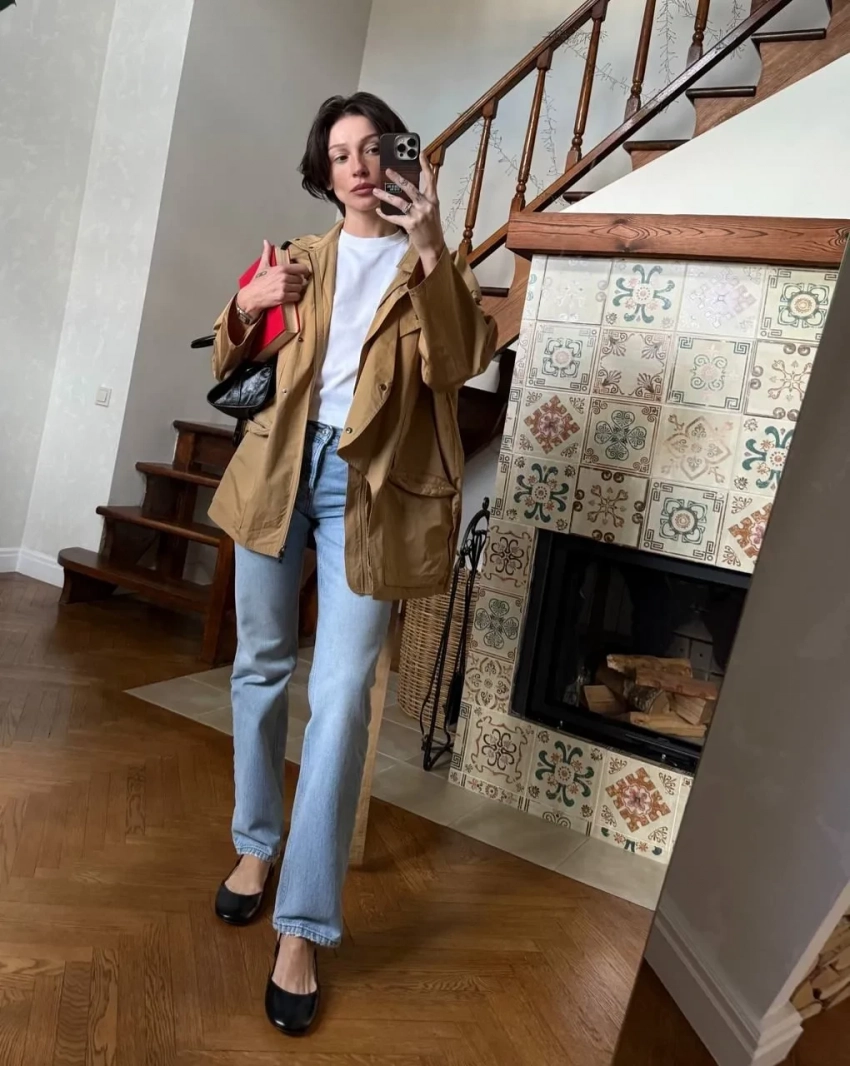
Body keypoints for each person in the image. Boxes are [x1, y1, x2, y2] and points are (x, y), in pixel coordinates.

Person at [207, 91, 496, 1036]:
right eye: (341, 154)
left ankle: (301, 926)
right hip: (276, 471)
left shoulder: (431, 264)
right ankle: (256, 844)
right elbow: (229, 359)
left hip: (370, 491)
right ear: (324, 174)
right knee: (259, 666)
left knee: (340, 700)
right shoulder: (298, 258)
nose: (360, 165)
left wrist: (435, 244)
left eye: (375, 148)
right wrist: (246, 305)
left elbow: (460, 361)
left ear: (402, 161)